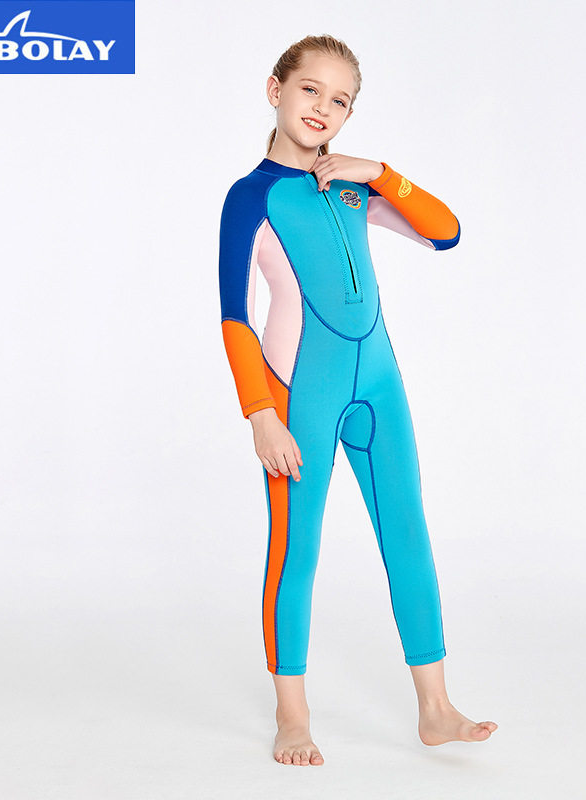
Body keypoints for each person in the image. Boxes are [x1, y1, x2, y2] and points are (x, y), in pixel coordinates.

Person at [218, 34, 498, 766]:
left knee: (407, 530)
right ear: (276, 90)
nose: (323, 108)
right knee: (296, 548)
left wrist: (381, 173)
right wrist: (260, 414)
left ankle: (435, 709)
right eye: (310, 89)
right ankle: (292, 715)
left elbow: (446, 233)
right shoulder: (250, 198)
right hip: (297, 395)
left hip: (379, 385)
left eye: (340, 100)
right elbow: (234, 315)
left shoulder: (353, 187)